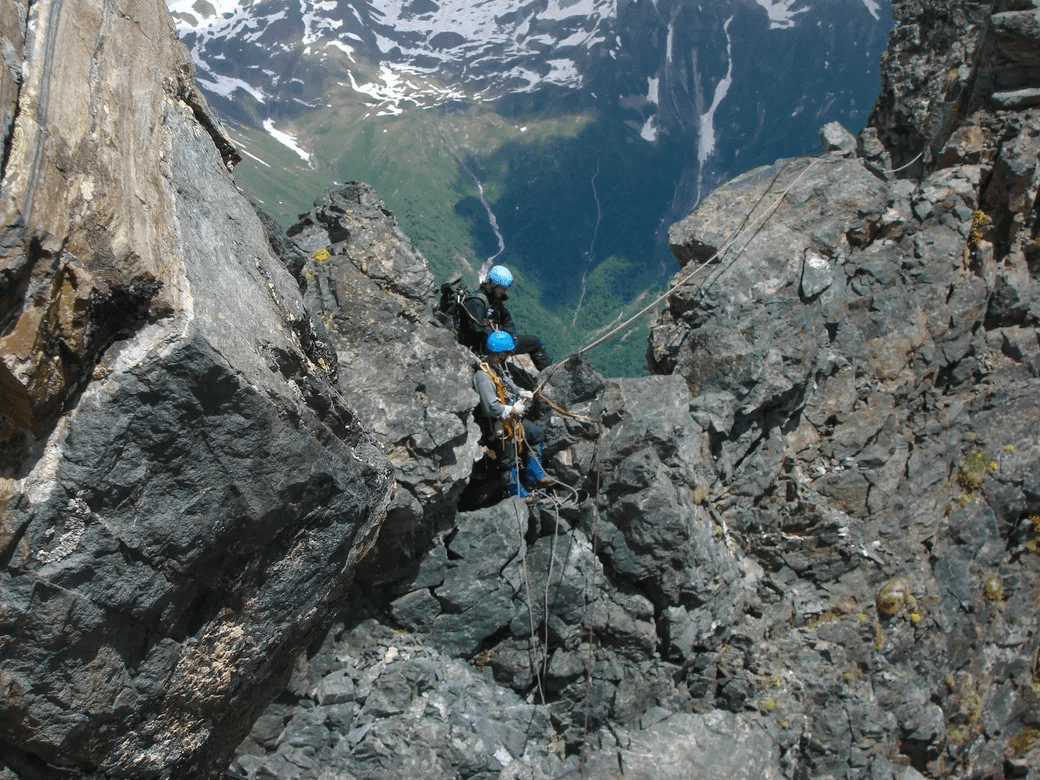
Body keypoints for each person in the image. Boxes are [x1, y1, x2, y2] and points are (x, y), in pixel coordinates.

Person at [473, 331, 551, 501]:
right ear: (500, 353)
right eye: (507, 353)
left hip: (510, 421)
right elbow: (490, 408)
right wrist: (512, 409)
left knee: (536, 434)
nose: (508, 356)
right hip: (497, 427)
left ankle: (534, 474)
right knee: (507, 460)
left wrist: (520, 391)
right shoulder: (483, 377)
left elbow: (506, 382)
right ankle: (518, 494)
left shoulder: (495, 367)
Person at [460, 265, 552, 370]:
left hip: (498, 342)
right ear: (492, 285)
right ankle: (549, 377)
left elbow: (507, 320)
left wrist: (511, 339)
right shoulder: (476, 302)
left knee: (534, 342)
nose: (504, 292)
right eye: (502, 288)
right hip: (483, 346)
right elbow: (476, 331)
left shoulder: (494, 300)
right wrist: (499, 340)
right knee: (533, 343)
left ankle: (547, 373)